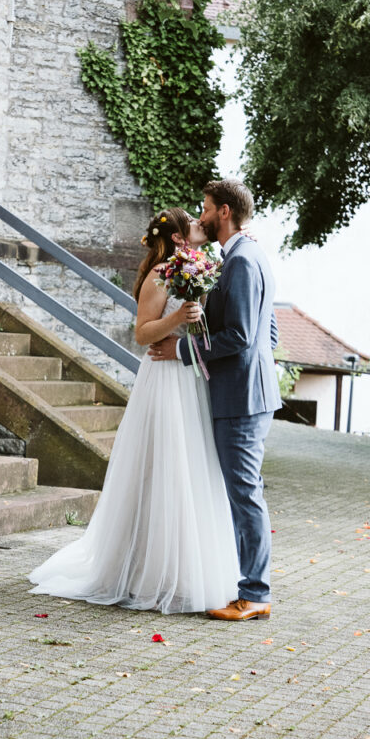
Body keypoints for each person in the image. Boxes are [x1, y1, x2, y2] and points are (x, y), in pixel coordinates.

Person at [28, 206, 240, 613]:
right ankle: (146, 570)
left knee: (190, 468)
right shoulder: (161, 274)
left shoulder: (196, 266)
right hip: (163, 380)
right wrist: (179, 316)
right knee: (162, 468)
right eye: (193, 223)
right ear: (178, 238)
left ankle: (183, 569)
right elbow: (143, 332)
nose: (201, 224)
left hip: (188, 376)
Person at [149, 179, 281, 621]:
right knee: (246, 492)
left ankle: (255, 593)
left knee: (245, 495)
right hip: (249, 391)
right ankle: (251, 588)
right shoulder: (248, 255)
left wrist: (183, 350)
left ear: (224, 212)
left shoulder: (241, 261)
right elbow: (269, 332)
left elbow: (242, 336)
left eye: (205, 207)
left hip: (241, 397)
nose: (199, 214)